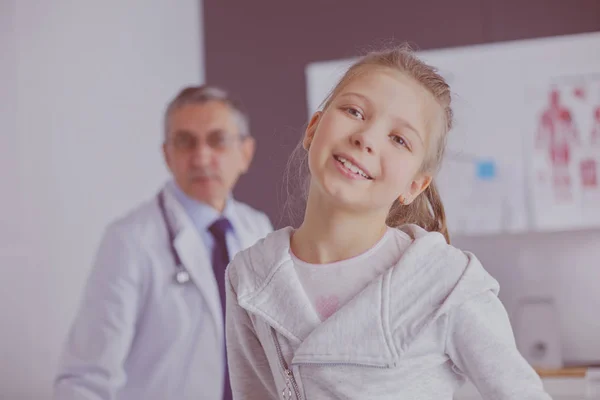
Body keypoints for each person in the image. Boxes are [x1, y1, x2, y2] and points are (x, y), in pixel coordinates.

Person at [224, 46, 553, 399]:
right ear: (313, 128)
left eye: (399, 139)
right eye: (354, 111)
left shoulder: (445, 282)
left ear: (414, 185)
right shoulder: (250, 276)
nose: (365, 138)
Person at [54, 85, 273, 400]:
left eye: (218, 140)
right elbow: (85, 379)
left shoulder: (258, 228)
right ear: (167, 155)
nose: (201, 156)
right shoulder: (129, 241)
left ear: (245, 153)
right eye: (185, 142)